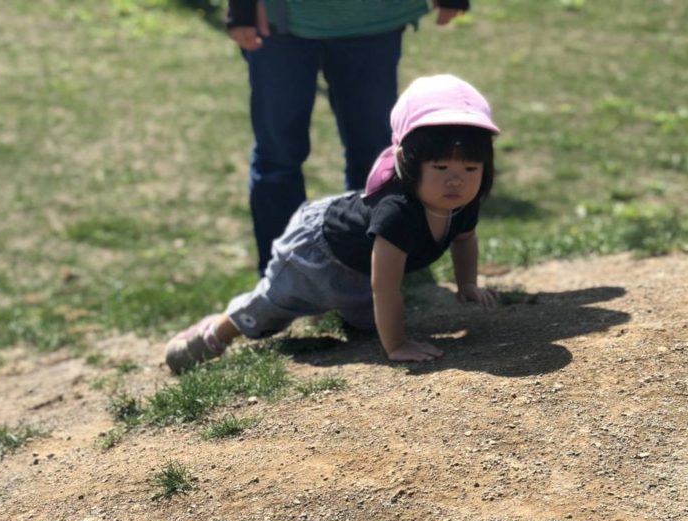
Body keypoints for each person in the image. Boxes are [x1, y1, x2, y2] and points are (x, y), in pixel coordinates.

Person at [165, 74, 500, 370]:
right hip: (317, 254)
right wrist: (396, 345)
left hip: (360, 269)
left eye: (471, 168)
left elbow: (464, 239)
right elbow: (385, 288)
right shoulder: (397, 211)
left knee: (368, 324)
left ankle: (330, 308)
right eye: (440, 168)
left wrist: (467, 284)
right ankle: (216, 332)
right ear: (405, 161)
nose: (456, 181)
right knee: (272, 308)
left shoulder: (460, 202)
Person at [226, 0, 472, 272]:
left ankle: (370, 269)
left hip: (372, 19)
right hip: (280, 22)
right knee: (277, 159)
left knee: (374, 158)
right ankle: (281, 276)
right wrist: (242, 7)